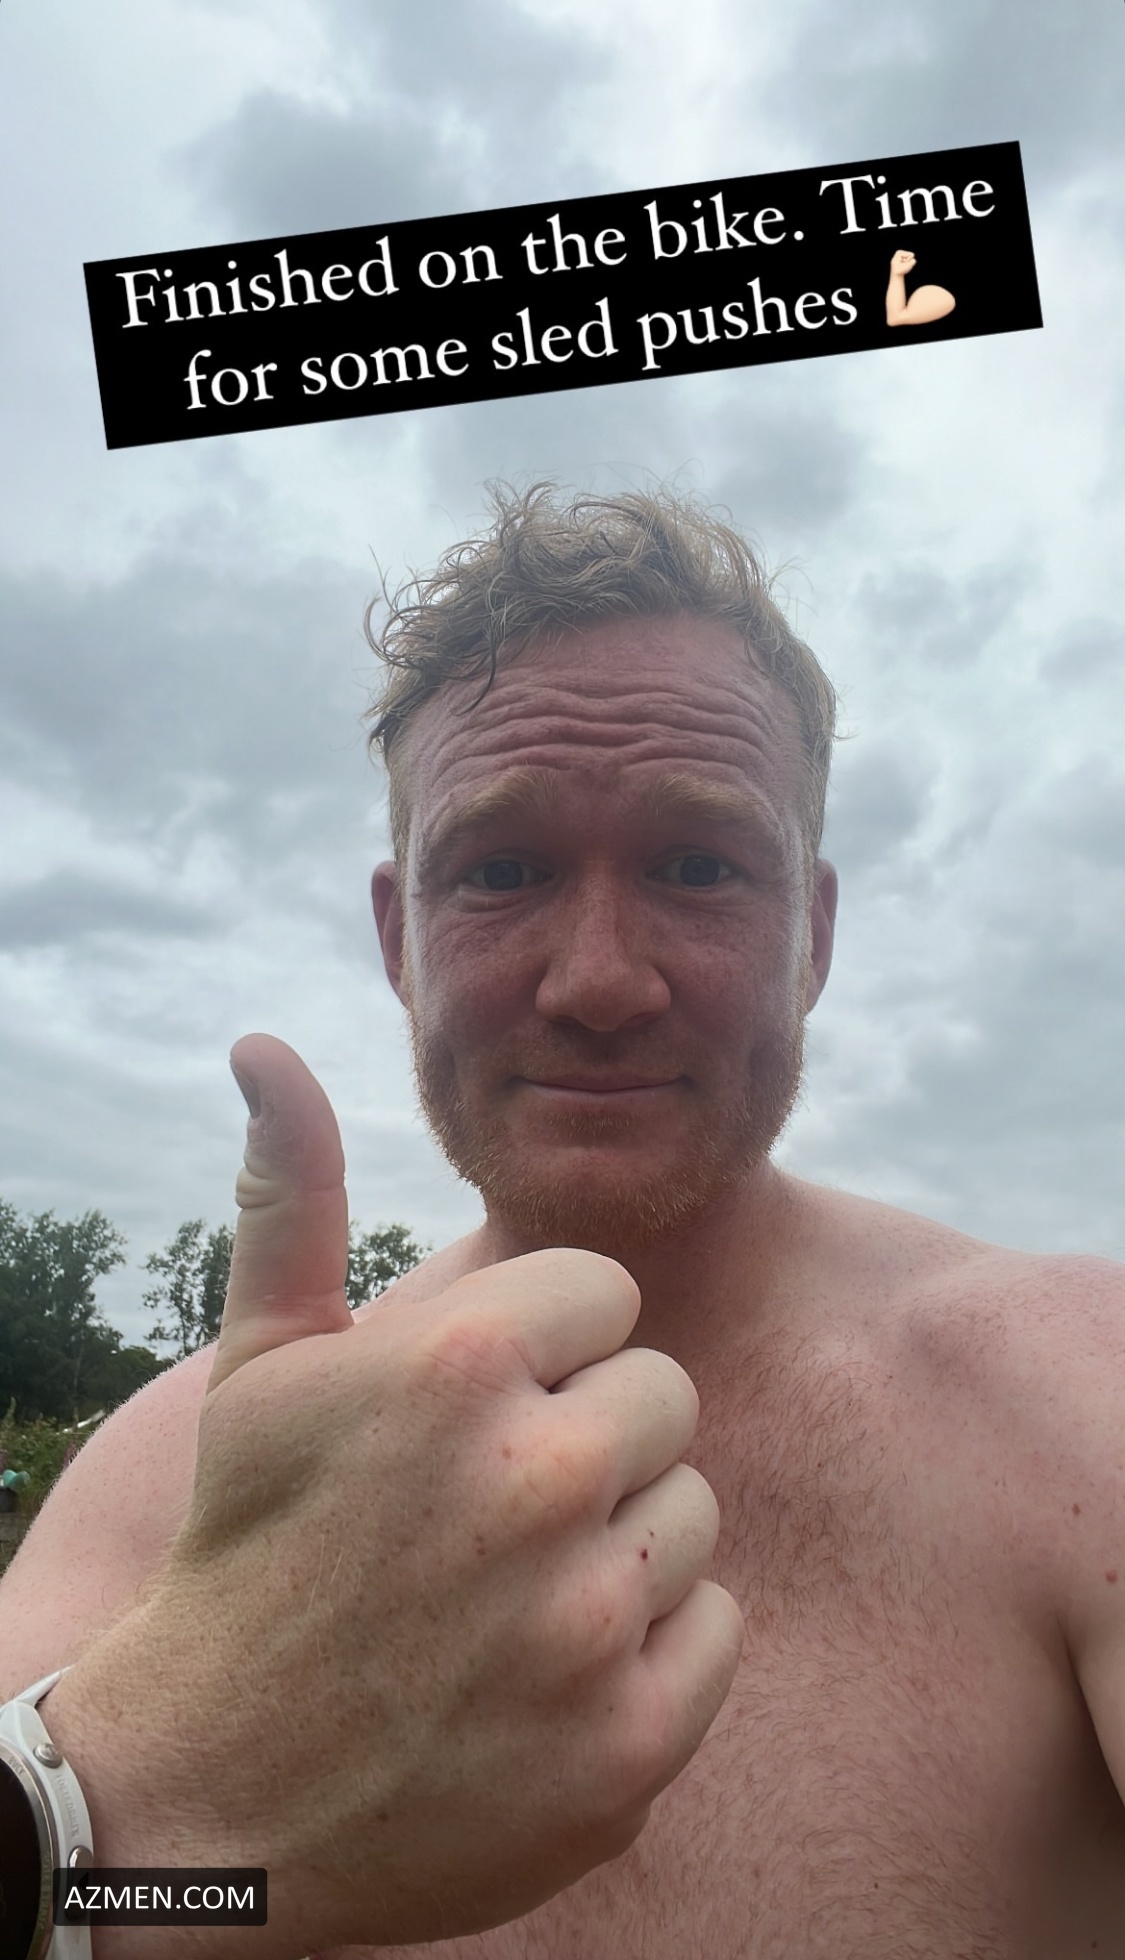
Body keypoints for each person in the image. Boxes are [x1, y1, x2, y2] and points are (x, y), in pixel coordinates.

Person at [6, 479, 1125, 1958]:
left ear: (813, 936)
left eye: (698, 865)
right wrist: (151, 1829)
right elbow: (87, 1903)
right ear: (400, 940)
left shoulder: (1078, 1402)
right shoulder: (187, 1479)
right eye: (505, 870)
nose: (599, 980)